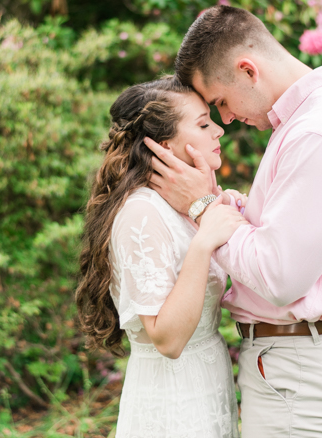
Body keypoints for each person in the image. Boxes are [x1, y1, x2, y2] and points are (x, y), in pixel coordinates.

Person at [144, 6, 322, 437]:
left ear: (247, 70)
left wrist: (203, 207)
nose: (224, 120)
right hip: (303, 361)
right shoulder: (313, 121)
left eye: (220, 102)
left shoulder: (317, 133)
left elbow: (280, 276)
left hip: (303, 367)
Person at [76, 76, 247, 438]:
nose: (218, 131)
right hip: (172, 402)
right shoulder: (142, 213)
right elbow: (167, 340)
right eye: (202, 124)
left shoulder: (187, 207)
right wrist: (204, 244)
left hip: (209, 384)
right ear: (165, 145)